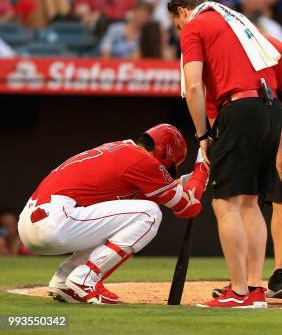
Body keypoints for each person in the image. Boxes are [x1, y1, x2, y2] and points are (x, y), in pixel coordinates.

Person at [168, 0, 282, 308]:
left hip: (241, 109)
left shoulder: (194, 25)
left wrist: (203, 135)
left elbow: (193, 85)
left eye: (177, 24)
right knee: (249, 202)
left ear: (181, 12)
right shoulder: (237, 20)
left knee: (225, 203)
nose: (180, 29)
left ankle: (238, 291)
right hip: (271, 108)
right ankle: (255, 290)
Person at [17, 124, 206, 304]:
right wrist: (203, 165)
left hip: (32, 221)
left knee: (125, 220)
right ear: (164, 152)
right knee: (149, 214)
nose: (166, 171)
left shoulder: (123, 150)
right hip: (55, 221)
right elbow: (187, 207)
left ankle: (64, 280)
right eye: (168, 167)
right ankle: (84, 279)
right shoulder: (143, 161)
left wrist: (193, 180)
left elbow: (166, 191)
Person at [209, 33, 282, 300]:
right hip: (251, 125)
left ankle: (279, 273)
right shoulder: (222, 51)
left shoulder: (274, 48)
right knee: (244, 196)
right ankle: (243, 278)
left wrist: (281, 148)